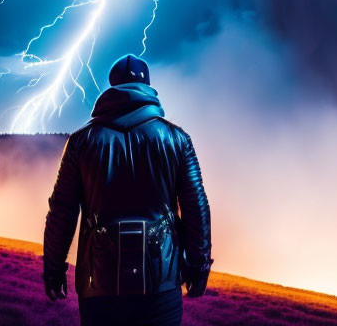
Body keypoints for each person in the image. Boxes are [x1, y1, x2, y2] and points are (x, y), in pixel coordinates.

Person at [42, 54, 212, 326]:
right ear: (148, 88)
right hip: (161, 286)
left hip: (99, 287)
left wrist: (53, 268)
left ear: (112, 87)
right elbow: (196, 205)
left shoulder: (81, 142)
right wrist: (199, 265)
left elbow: (62, 210)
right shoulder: (177, 139)